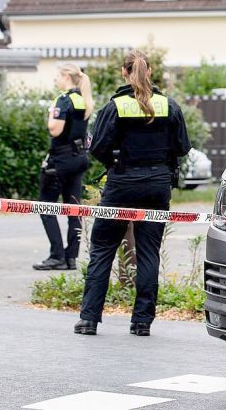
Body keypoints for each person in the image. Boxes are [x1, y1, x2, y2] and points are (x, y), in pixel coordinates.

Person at [75, 49, 191, 336]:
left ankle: (89, 319)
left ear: (124, 73)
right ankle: (141, 322)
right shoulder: (169, 105)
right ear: (149, 72)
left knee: (102, 250)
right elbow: (183, 147)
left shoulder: (114, 107)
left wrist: (116, 162)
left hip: (122, 184)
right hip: (157, 185)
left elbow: (98, 146)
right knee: (149, 252)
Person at [32, 64, 94, 271]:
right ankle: (71, 257)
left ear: (67, 76)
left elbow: (55, 129)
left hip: (61, 159)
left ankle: (56, 255)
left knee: (46, 206)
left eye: (58, 76)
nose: (56, 80)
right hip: (78, 158)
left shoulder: (63, 99)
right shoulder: (83, 100)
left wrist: (51, 114)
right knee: (73, 209)